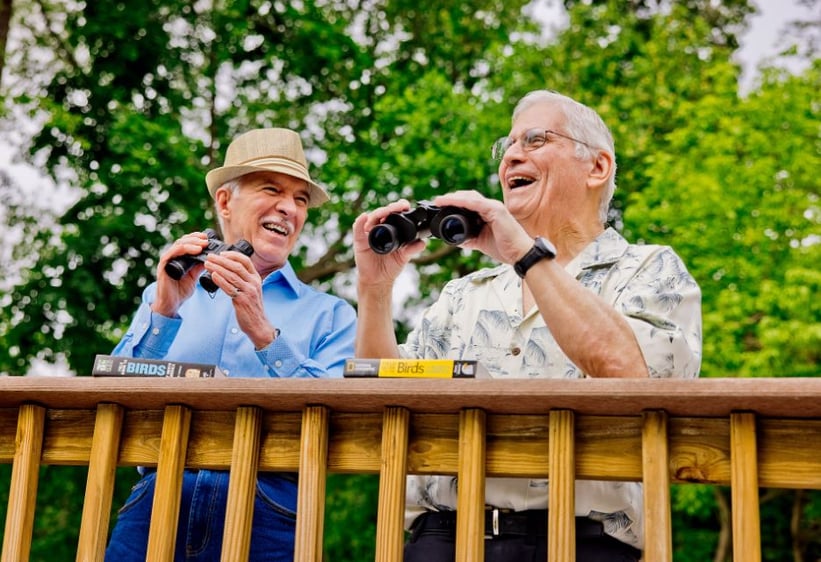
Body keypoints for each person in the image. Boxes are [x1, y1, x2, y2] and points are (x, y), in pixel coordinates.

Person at [352, 90, 702, 562]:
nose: (513, 155)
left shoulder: (649, 270)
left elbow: (634, 378)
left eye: (536, 140)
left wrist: (524, 254)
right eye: (508, 145)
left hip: (582, 544)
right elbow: (383, 409)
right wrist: (375, 291)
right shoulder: (464, 293)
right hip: (444, 539)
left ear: (597, 168)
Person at [105, 128, 357, 561]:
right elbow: (111, 394)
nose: (289, 208)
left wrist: (263, 332)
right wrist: (164, 309)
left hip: (270, 506)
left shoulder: (333, 315)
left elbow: (338, 425)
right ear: (224, 202)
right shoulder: (164, 293)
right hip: (158, 494)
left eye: (300, 199)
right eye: (272, 189)